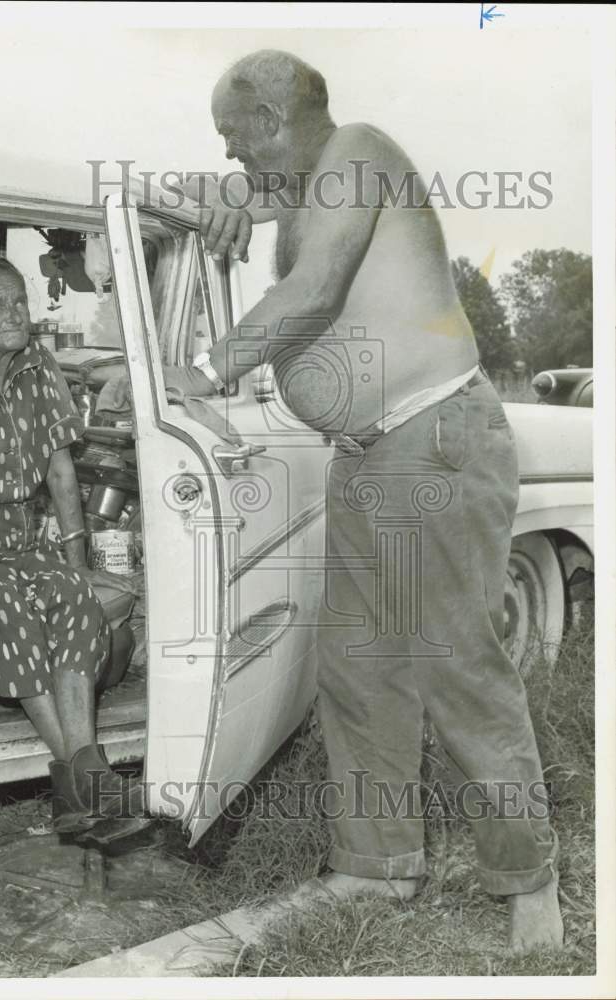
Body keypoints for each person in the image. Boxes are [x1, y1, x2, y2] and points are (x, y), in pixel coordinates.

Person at [163, 50, 563, 953]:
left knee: (452, 660)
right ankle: (375, 868)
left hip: (434, 436)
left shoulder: (359, 150)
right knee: (358, 663)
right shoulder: (305, 181)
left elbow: (313, 291)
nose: (234, 159)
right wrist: (224, 194)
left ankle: (529, 885)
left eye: (235, 141)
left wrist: (203, 373)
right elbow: (242, 199)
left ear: (269, 117)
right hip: (373, 451)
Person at [0, 256, 141, 847]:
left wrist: (77, 556)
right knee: (10, 610)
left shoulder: (37, 362)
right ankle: (91, 785)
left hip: (18, 537)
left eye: (20, 301)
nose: (16, 314)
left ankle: (79, 787)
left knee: (74, 600)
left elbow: (60, 470)